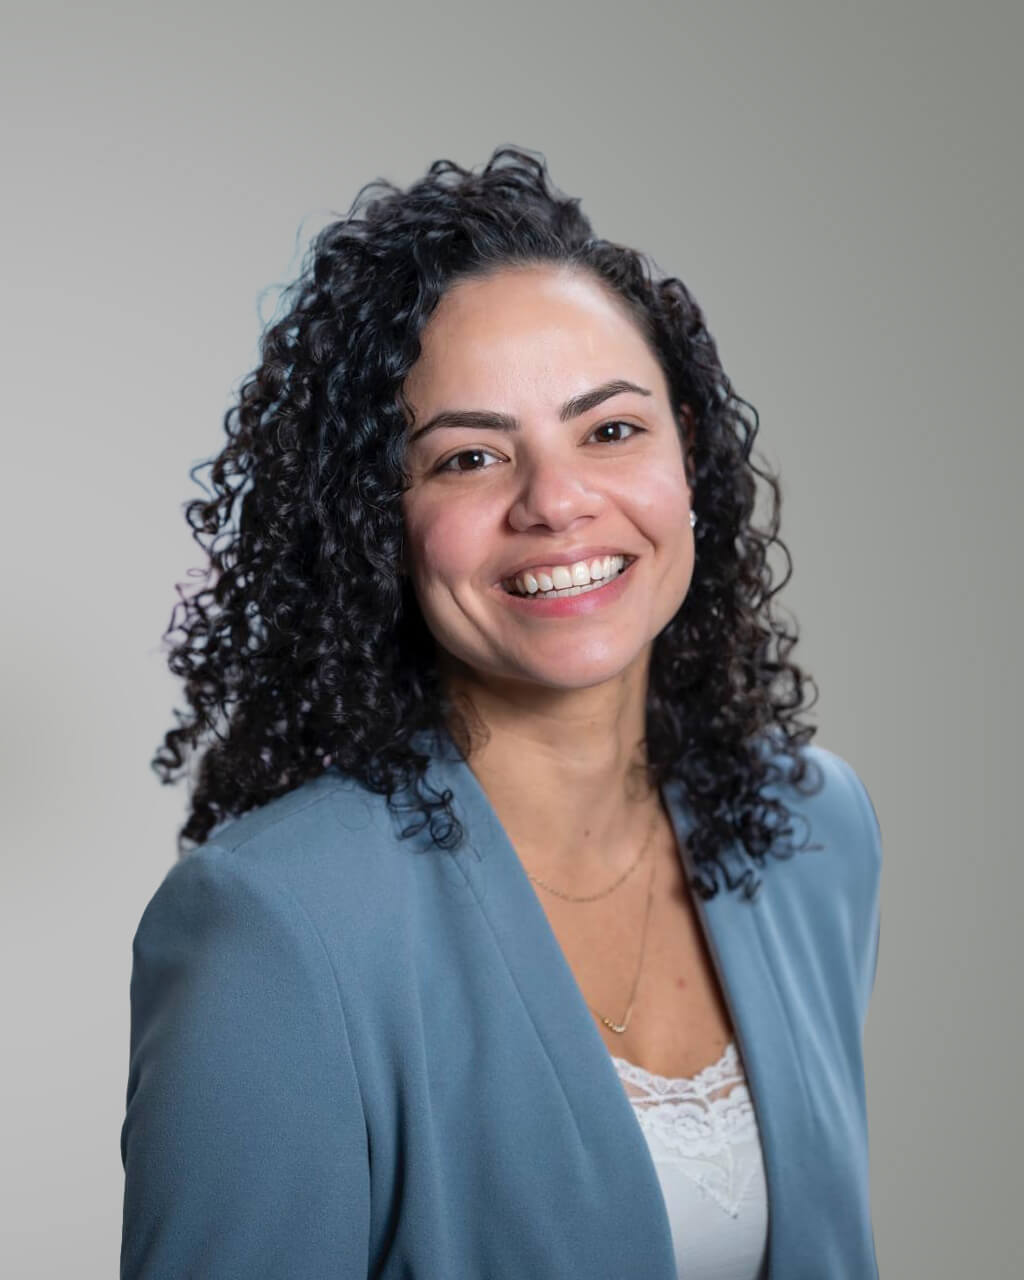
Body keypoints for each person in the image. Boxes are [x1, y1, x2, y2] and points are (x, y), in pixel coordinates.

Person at [120, 146, 882, 1279]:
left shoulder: (811, 828)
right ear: (376, 520)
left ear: (691, 456)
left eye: (610, 429)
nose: (557, 502)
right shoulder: (275, 926)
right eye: (469, 456)